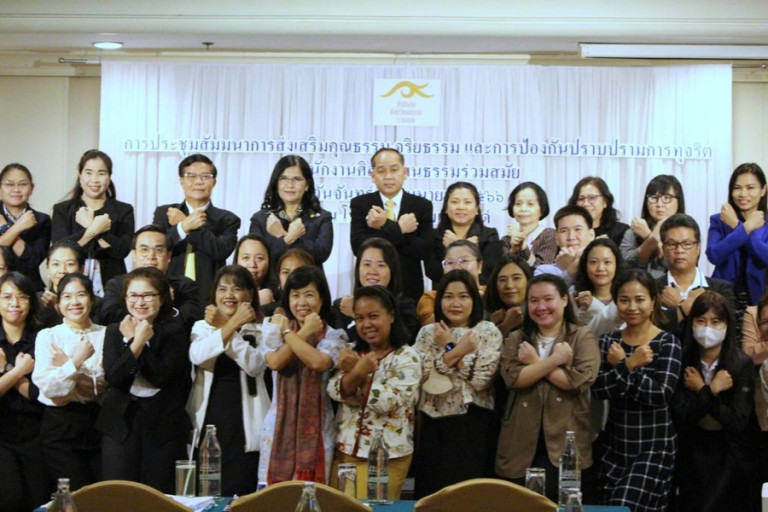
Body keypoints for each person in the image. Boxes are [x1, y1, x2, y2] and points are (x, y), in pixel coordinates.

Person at [495, 274, 600, 502]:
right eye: (534, 301)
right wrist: (555, 361)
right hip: (519, 442)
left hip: (566, 440)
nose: (541, 307)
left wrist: (535, 362)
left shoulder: (582, 336)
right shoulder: (517, 338)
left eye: (548, 299)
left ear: (564, 300)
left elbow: (576, 382)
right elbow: (514, 379)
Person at [592, 269, 682, 512]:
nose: (632, 307)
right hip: (614, 444)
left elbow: (660, 394)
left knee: (622, 507)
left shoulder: (667, 342)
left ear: (653, 302)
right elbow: (598, 389)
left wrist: (623, 366)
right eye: (624, 300)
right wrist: (630, 365)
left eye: (640, 299)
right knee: (609, 508)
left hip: (653, 445)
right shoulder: (608, 341)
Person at [97, 267, 191, 493]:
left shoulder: (175, 331)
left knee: (159, 495)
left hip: (162, 425)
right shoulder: (114, 330)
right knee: (119, 494)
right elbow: (115, 378)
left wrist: (135, 341)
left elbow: (160, 377)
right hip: (120, 423)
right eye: (133, 295)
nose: (140, 302)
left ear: (162, 298)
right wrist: (136, 342)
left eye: (148, 295)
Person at [413, 269, 502, 498]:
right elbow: (423, 375)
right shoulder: (427, 333)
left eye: (463, 296)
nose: (455, 303)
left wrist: (449, 347)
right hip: (433, 424)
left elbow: (481, 378)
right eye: (448, 296)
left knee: (470, 497)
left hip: (474, 423)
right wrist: (458, 350)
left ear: (474, 299)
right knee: (432, 497)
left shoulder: (487, 330)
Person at [328, 285, 421, 499]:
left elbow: (388, 403)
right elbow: (334, 390)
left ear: (391, 316)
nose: (366, 324)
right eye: (359, 318)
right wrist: (357, 371)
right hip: (344, 451)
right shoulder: (352, 350)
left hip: (386, 457)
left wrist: (357, 371)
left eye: (373, 316)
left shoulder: (408, 357)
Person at [258, 265, 347, 484]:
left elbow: (318, 362)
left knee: (312, 497)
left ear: (322, 299)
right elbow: (275, 362)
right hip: (277, 431)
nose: (302, 302)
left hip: (318, 434)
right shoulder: (273, 328)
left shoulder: (334, 336)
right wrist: (304, 331)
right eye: (295, 295)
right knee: (273, 498)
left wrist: (289, 333)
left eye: (309, 295)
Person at [187, 265, 270, 496]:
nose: (229, 295)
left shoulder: (263, 329)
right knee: (207, 491)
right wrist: (230, 325)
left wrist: (225, 327)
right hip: (209, 417)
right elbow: (198, 355)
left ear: (250, 295)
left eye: (237, 289)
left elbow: (255, 365)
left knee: (242, 491)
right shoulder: (202, 327)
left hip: (246, 423)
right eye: (222, 289)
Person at [671, 291, 755, 512]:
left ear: (727, 325)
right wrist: (711, 390)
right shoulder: (683, 360)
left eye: (716, 322)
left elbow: (736, 421)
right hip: (692, 448)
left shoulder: (740, 364)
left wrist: (701, 390)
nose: (707, 328)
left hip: (729, 451)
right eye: (701, 321)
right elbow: (681, 415)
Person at [33, 273, 106, 491]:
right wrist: (77, 362)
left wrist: (66, 365)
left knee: (101, 494)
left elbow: (101, 386)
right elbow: (51, 388)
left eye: (81, 295)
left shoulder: (106, 334)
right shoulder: (48, 336)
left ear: (91, 299)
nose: (74, 302)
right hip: (59, 426)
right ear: (58, 303)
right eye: (67, 296)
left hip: (97, 423)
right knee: (73, 495)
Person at [153, 153, 240, 305]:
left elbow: (220, 250)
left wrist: (186, 224)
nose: (198, 182)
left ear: (214, 182)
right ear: (181, 180)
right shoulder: (165, 213)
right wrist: (182, 227)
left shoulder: (227, 219)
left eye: (205, 176)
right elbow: (158, 246)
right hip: (168, 290)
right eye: (191, 176)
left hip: (209, 294)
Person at [350, 148, 433, 303]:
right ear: (373, 176)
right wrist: (399, 229)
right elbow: (358, 246)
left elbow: (424, 250)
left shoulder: (421, 205)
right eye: (381, 171)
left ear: (405, 172)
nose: (388, 176)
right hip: (371, 285)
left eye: (394, 170)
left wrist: (384, 225)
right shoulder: (361, 204)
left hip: (409, 287)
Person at [0, 272, 53, 510]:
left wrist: (6, 370)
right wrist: (17, 372)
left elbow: (41, 393)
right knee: (10, 498)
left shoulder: (44, 337)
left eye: (22, 297)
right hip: (2, 434)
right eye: (7, 297)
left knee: (39, 499)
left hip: (37, 431)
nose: (15, 303)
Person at [52, 149, 135, 293]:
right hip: (70, 285)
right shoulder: (63, 210)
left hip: (113, 285)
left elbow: (122, 251)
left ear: (109, 177)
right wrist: (93, 229)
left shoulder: (123, 210)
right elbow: (61, 250)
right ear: (80, 175)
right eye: (88, 173)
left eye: (101, 173)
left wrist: (90, 227)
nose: (94, 179)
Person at [97, 225, 203, 331]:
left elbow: (190, 322)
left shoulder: (185, 286)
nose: (151, 256)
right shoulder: (117, 284)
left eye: (159, 250)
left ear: (169, 256)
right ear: (134, 254)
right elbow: (109, 319)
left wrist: (167, 304)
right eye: (144, 250)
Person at [656, 214, 736, 338]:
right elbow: (651, 331)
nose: (679, 250)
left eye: (687, 243)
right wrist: (686, 308)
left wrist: (680, 304)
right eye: (672, 244)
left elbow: (727, 333)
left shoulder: (721, 289)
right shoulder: (652, 288)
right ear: (663, 249)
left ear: (698, 248)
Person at [249, 155, 333, 270]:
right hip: (273, 281)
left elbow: (321, 254)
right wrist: (289, 238)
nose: (290, 185)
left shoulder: (322, 217)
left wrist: (282, 234)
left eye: (297, 179)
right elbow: (260, 259)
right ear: (276, 183)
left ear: (307, 185)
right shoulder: (260, 219)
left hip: (308, 279)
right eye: (283, 178)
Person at [330, 237, 419, 345]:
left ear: (392, 270)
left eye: (381, 265)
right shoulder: (342, 306)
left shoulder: (405, 307)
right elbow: (335, 345)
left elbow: (402, 341)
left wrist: (357, 314)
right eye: (367, 264)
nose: (372, 271)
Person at [707, 163, 768, 308]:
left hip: (760, 301)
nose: (743, 194)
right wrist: (745, 228)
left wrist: (737, 226)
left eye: (750, 188)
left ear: (763, 190)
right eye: (737, 188)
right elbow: (714, 255)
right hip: (722, 299)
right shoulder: (719, 220)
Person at [426, 181, 502, 286]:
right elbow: (432, 272)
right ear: (446, 208)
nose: (461, 207)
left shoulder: (489, 235)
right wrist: (450, 250)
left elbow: (489, 274)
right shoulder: (434, 235)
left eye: (467, 202)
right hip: (444, 292)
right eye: (455, 202)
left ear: (476, 209)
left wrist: (457, 247)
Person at [620, 175, 685, 280]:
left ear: (679, 201)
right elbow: (625, 264)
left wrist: (648, 235)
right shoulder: (634, 231)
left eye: (666, 198)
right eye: (654, 198)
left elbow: (678, 266)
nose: (659, 204)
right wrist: (653, 240)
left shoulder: (687, 231)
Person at [0, 163, 51, 291]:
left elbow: (33, 260)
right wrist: (17, 227)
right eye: (9, 184)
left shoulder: (42, 220)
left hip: (29, 288)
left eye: (22, 184)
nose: (16, 189)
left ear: (31, 188)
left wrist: (5, 228)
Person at [37, 240, 103, 329]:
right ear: (47, 269)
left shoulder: (95, 304)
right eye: (56, 264)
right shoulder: (37, 302)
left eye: (70, 264)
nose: (62, 270)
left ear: (82, 269)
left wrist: (58, 304)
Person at [417, 240, 484, 326]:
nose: (456, 267)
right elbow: (430, 326)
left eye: (463, 261)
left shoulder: (490, 292)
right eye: (450, 262)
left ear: (479, 266)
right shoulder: (431, 297)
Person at [573, 239, 625, 336]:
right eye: (593, 262)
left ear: (616, 265)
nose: (600, 268)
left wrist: (594, 306)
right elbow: (579, 337)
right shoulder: (574, 297)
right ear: (585, 265)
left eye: (607, 262)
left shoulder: (626, 297)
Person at [534, 205, 596, 284]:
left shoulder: (601, 266)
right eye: (564, 231)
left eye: (577, 229)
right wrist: (569, 272)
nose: (571, 237)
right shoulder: (544, 271)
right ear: (556, 238)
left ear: (591, 235)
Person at [501, 181, 558, 268]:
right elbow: (505, 271)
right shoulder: (506, 240)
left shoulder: (549, 235)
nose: (523, 209)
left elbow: (542, 270)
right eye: (518, 204)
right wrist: (513, 250)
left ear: (542, 209)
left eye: (530, 204)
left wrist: (524, 248)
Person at [568, 176, 629, 248]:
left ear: (605, 202)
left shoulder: (621, 231)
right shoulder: (569, 232)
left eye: (592, 198)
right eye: (581, 198)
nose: (585, 204)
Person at [482, 255, 532, 338]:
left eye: (516, 278)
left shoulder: (539, 311)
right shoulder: (486, 313)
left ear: (528, 280)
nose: (509, 285)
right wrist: (504, 326)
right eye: (502, 280)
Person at [233, 234, 278, 313]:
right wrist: (257, 300)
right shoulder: (225, 291)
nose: (252, 264)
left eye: (259, 258)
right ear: (237, 260)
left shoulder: (277, 293)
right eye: (246, 258)